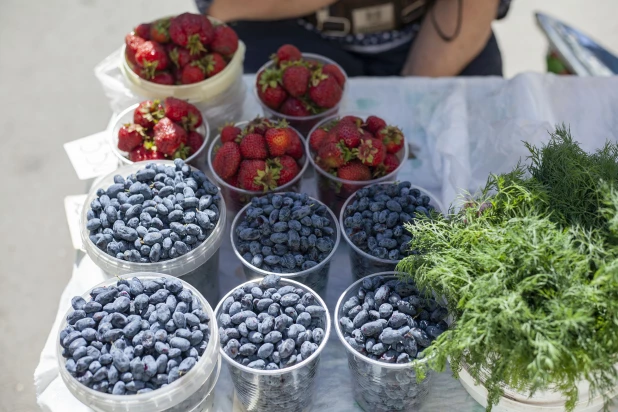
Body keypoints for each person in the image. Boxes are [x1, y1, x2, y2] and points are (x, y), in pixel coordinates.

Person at [196, 0, 511, 77]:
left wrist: (413, 98)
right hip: (288, 30)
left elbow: (472, 9)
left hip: (432, 35)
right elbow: (221, 5)